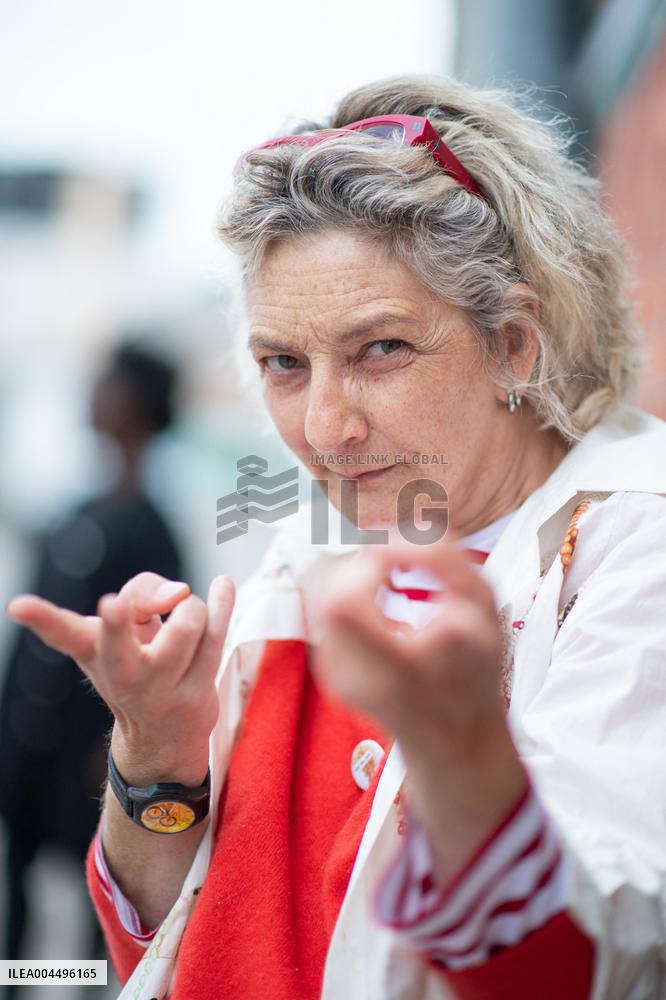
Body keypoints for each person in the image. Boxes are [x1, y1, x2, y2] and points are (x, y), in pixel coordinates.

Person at [6, 75, 666, 1000]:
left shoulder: (638, 548)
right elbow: (165, 947)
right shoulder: (304, 560)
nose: (323, 428)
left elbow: (594, 967)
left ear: (517, 343)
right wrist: (155, 755)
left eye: (381, 350)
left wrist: (457, 754)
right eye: (284, 363)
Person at [0, 341, 185, 990]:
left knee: (95, 903)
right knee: (15, 895)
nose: (92, 390)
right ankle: (17, 982)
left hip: (87, 765)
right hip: (27, 752)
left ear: (137, 404)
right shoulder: (77, 511)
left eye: (107, 381)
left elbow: (163, 656)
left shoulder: (149, 529)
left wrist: (123, 745)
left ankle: (76, 984)